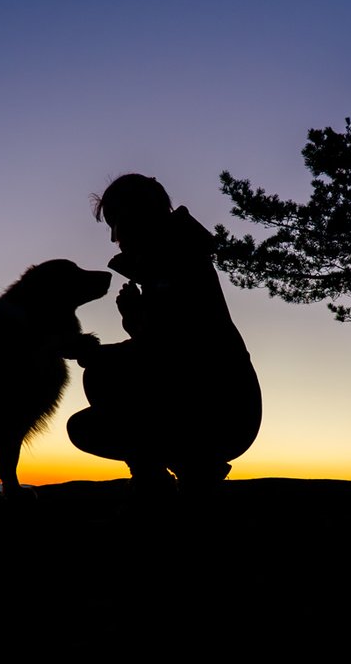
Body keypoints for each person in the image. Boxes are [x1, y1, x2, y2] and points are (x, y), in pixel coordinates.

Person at [67, 174, 262, 498]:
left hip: (223, 413)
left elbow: (179, 355)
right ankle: (185, 473)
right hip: (214, 407)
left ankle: (173, 479)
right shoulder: (171, 263)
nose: (115, 237)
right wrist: (135, 323)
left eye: (117, 222)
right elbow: (166, 351)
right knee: (98, 388)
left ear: (138, 214)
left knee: (97, 391)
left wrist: (101, 350)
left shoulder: (180, 264)